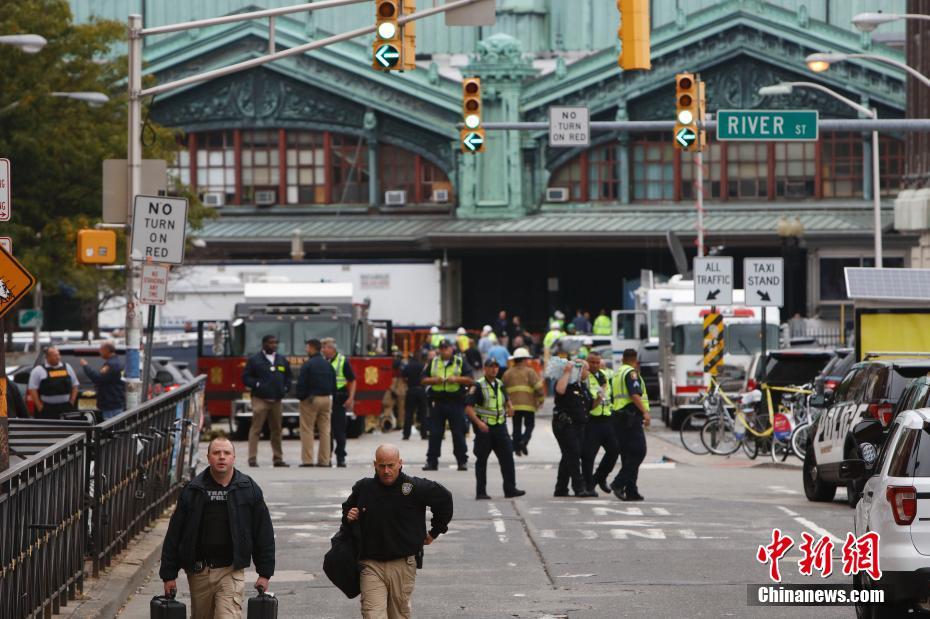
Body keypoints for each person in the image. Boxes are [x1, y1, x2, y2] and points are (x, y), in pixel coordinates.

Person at [160, 437, 275, 619]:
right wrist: (168, 575)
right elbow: (175, 534)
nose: (222, 457)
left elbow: (264, 533)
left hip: (230, 570)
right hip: (199, 572)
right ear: (208, 457)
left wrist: (265, 572)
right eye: (216, 453)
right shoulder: (194, 490)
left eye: (226, 453)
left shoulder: (248, 489)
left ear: (234, 458)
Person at [342, 444, 453, 619]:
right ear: (375, 464)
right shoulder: (364, 488)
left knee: (398, 615)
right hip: (371, 565)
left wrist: (435, 532)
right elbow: (347, 511)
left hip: (403, 565)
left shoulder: (415, 487)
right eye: (382, 465)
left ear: (400, 463)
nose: (386, 471)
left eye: (391, 465)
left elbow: (445, 500)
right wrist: (349, 516)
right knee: (372, 615)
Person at [465, 359, 525, 500]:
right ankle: (481, 492)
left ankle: (510, 489)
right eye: (491, 366)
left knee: (508, 458)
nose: (494, 369)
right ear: (485, 368)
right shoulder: (478, 386)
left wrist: (510, 407)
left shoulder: (499, 384)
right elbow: (468, 408)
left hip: (500, 427)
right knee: (482, 460)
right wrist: (479, 424)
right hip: (484, 429)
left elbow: (506, 398)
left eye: (496, 366)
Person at [421, 340, 472, 471]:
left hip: (456, 402)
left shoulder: (459, 361)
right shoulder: (433, 362)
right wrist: (435, 380)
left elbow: (470, 379)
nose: (444, 351)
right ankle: (432, 461)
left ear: (451, 349)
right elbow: (423, 379)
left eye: (446, 348)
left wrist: (456, 379)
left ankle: (462, 461)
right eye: (442, 348)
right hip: (438, 402)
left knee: (458, 433)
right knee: (435, 433)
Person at [241, 335, 291, 468]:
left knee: (277, 430)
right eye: (270, 343)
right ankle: (252, 458)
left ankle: (278, 458)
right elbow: (245, 377)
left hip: (276, 400)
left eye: (275, 343)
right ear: (264, 344)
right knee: (256, 429)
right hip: (260, 399)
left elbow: (288, 376)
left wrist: (285, 387)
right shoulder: (254, 360)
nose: (273, 345)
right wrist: (257, 384)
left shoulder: (281, 359)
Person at [610, 348, 651, 501]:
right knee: (639, 451)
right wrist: (645, 412)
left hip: (619, 418)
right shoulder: (631, 373)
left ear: (622, 359)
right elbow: (634, 394)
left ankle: (631, 490)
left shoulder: (617, 373)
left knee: (628, 455)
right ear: (636, 361)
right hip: (630, 417)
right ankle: (618, 483)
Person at [552, 359, 596, 497]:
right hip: (565, 424)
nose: (588, 372)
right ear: (579, 370)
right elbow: (560, 390)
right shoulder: (566, 382)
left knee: (568, 456)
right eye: (586, 369)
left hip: (579, 426)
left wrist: (600, 398)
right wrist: (567, 372)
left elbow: (589, 406)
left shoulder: (581, 386)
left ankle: (560, 488)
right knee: (573, 454)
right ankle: (579, 487)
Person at [581, 351, 620, 495]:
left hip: (607, 419)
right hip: (592, 420)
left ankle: (599, 477)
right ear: (587, 362)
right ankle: (588, 485)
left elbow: (610, 395)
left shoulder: (603, 376)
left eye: (598, 362)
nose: (595, 365)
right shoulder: (584, 377)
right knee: (589, 455)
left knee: (614, 450)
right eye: (592, 362)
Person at [297, 338, 337, 467]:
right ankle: (324, 460)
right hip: (327, 399)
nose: (306, 349)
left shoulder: (308, 364)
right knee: (325, 431)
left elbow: (302, 384)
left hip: (311, 400)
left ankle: (308, 460)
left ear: (313, 348)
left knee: (307, 429)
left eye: (307, 347)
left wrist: (302, 397)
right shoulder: (328, 364)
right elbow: (334, 384)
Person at [503, 347, 544, 457]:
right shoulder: (530, 372)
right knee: (530, 425)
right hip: (528, 405)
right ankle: (524, 441)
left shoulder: (507, 373)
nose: (528, 361)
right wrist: (541, 400)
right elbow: (538, 387)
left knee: (516, 427)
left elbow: (502, 390)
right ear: (522, 360)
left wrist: (505, 405)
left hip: (514, 406)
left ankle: (517, 448)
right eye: (527, 359)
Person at [323, 338, 356, 468]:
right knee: (326, 431)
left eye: (325, 348)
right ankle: (327, 457)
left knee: (339, 431)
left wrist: (351, 398)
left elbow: (352, 380)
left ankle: (341, 457)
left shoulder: (342, 361)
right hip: (326, 399)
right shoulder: (323, 361)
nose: (323, 351)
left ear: (332, 349)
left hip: (339, 400)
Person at [29, 346, 79, 419]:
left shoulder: (67, 367)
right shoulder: (39, 370)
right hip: (47, 408)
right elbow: (32, 389)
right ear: (48, 357)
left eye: (58, 355)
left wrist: (72, 401)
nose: (58, 357)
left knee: (67, 429)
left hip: (66, 407)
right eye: (55, 355)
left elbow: (75, 385)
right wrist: (39, 406)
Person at [79, 341, 125, 420]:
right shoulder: (115, 362)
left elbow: (97, 378)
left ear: (107, 350)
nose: (99, 351)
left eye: (101, 349)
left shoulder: (111, 364)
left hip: (111, 405)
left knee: (110, 429)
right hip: (113, 402)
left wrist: (85, 366)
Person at [402, 352, 428, 441]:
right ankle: (424, 434)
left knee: (409, 413)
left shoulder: (408, 366)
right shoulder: (423, 365)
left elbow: (403, 377)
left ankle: (406, 434)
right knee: (423, 413)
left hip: (411, 390)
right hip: (421, 390)